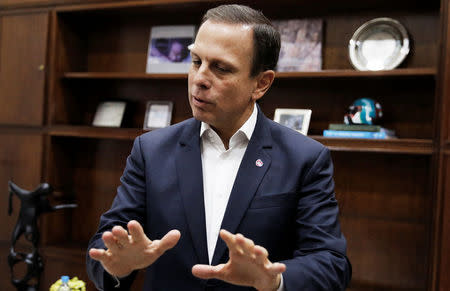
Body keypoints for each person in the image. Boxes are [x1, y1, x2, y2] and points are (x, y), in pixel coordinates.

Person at [87, 4, 351, 291]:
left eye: (221, 68)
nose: (199, 79)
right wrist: (116, 264)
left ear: (261, 83)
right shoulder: (150, 150)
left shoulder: (305, 158)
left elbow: (331, 263)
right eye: (196, 61)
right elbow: (104, 245)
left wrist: (274, 280)